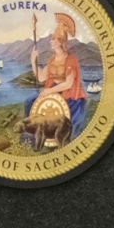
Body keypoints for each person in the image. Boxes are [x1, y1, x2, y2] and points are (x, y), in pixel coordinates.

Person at [23, 13, 87, 144]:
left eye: (53, 39)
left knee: (67, 118)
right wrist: (32, 61)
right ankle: (33, 133)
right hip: (53, 91)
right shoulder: (51, 60)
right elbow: (41, 78)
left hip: (69, 94)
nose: (51, 41)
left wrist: (49, 91)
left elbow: (68, 84)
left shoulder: (70, 59)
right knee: (29, 101)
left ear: (60, 42)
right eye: (51, 39)